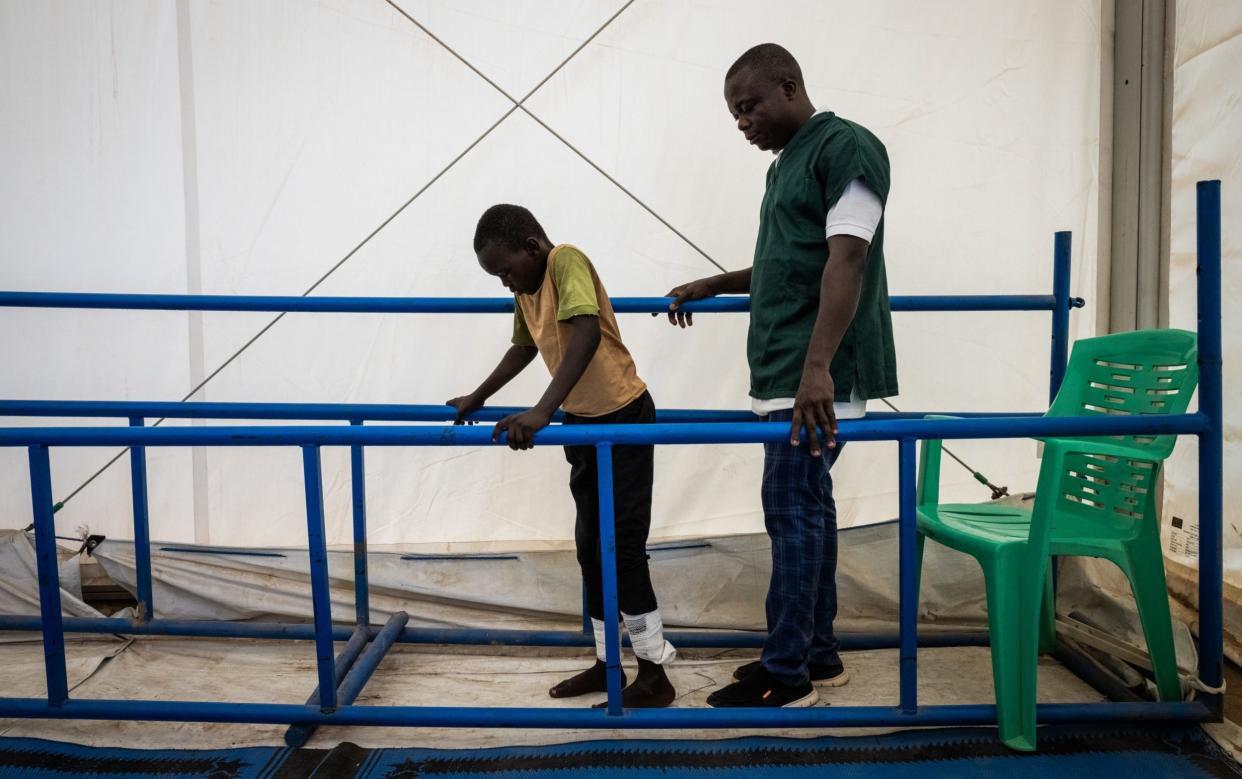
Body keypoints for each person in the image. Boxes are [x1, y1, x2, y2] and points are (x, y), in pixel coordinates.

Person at [659, 44, 896, 708]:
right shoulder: (784, 166)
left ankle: (785, 672)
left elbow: (847, 258)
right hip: (786, 370)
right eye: (735, 115)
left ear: (789, 86)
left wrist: (817, 368)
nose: (743, 123)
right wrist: (715, 281)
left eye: (749, 106)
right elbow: (788, 260)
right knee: (808, 512)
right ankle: (817, 656)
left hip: (812, 375)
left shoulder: (848, 148)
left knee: (791, 513)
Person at [449, 204, 676, 708]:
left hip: (623, 417)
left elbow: (587, 334)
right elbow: (524, 348)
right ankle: (606, 661)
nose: (506, 283)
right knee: (590, 548)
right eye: (497, 277)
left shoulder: (565, 261)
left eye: (506, 270)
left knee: (623, 548)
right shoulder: (526, 288)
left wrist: (541, 412)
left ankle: (654, 673)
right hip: (581, 423)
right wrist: (479, 396)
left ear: (531, 247)